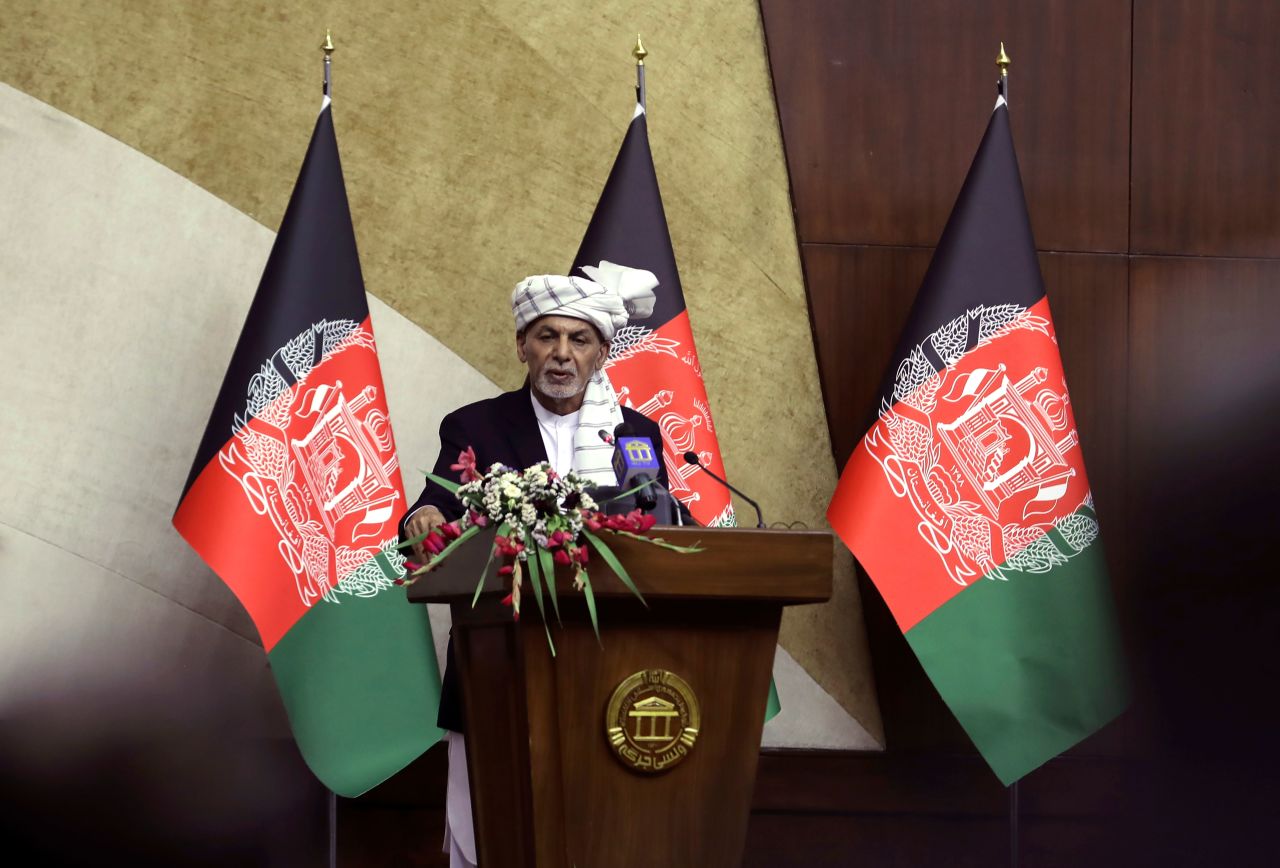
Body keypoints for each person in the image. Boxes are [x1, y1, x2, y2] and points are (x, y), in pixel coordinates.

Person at [399, 262, 681, 868]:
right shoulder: (476, 425)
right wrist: (420, 519)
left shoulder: (635, 432)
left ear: (601, 353)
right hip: (500, 662)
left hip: (612, 665)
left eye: (578, 340)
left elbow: (662, 521)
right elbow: (439, 503)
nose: (561, 354)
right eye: (547, 336)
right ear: (522, 346)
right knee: (493, 834)